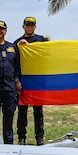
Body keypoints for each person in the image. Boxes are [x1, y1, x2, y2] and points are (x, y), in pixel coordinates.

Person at [14, 16, 49, 146]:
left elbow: (49, 54)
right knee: (22, 111)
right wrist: (16, 80)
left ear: (35, 26)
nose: (29, 27)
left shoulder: (42, 40)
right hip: (23, 81)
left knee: (38, 111)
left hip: (38, 81)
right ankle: (21, 137)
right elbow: (15, 64)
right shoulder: (17, 43)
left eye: (32, 25)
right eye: (27, 25)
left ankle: (40, 137)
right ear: (23, 26)